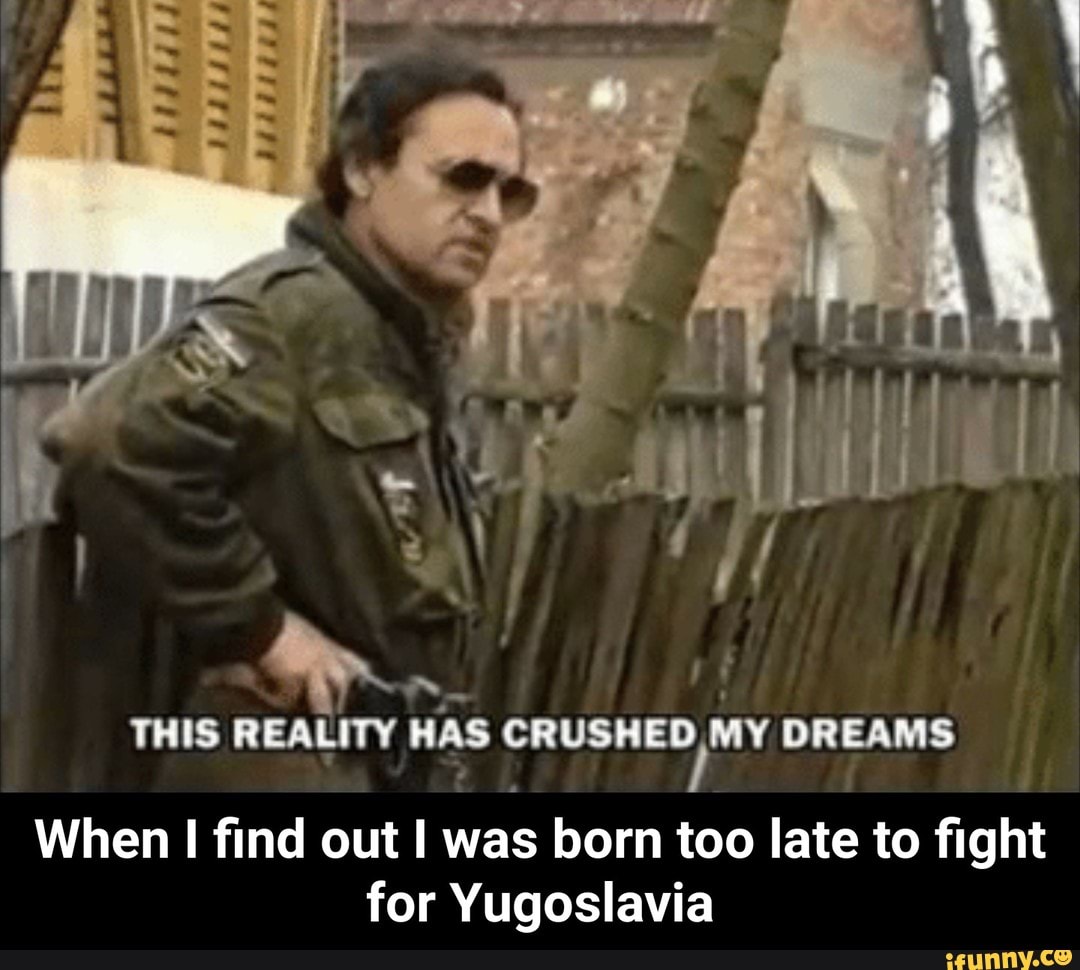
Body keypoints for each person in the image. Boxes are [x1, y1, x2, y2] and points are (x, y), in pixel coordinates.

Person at [39, 38, 539, 792]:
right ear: (363, 169)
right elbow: (105, 441)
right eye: (462, 178)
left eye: (511, 192)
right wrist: (264, 632)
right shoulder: (291, 315)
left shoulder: (403, 340)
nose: (489, 214)